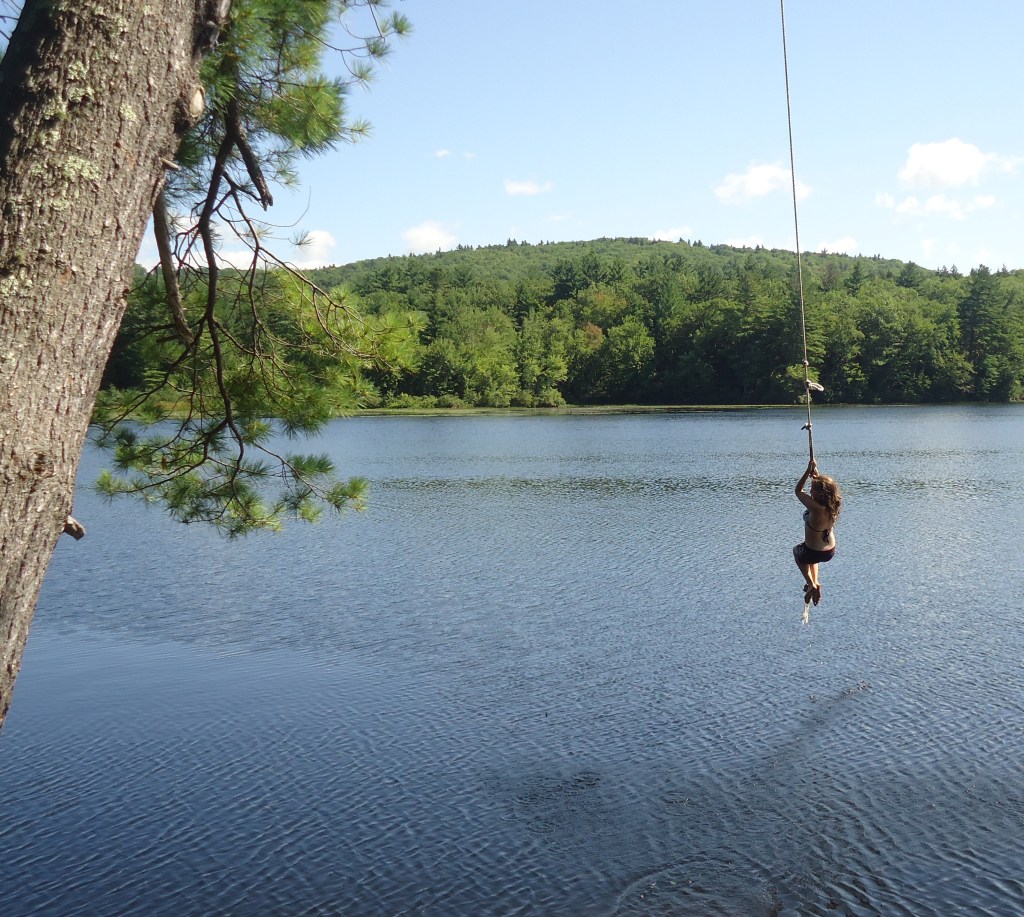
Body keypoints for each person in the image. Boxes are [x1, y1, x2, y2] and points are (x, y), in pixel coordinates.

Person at [793, 458, 842, 606]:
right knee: (812, 557)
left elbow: (798, 491)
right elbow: (822, 490)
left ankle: (811, 584)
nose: (809, 491)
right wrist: (816, 476)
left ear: (820, 495)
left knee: (797, 552)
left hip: (813, 551)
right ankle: (816, 583)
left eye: (812, 490)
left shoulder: (816, 509)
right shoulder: (833, 506)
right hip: (829, 551)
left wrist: (808, 470)